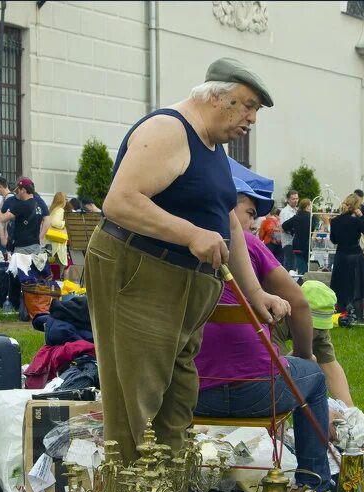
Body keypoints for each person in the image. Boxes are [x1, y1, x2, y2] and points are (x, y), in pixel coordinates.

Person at [86, 58, 289, 466]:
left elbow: (228, 221)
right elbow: (119, 202)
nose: (251, 119)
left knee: (176, 402)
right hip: (141, 274)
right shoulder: (169, 130)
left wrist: (254, 293)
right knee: (136, 404)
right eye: (246, 106)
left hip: (183, 289)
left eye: (255, 111)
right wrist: (190, 234)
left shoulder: (211, 146)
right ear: (217, 96)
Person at [195, 182, 332, 492]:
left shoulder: (177, 246)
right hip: (259, 393)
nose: (254, 223)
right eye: (249, 213)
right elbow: (298, 302)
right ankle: (314, 486)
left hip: (192, 395)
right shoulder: (248, 244)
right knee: (314, 378)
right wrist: (302, 355)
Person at [272, 280, 354, 406]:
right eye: (314, 326)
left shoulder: (319, 332)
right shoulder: (275, 319)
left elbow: (331, 368)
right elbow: (279, 373)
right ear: (298, 313)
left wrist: (350, 411)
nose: (318, 333)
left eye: (322, 328)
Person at [0, 177, 51, 309]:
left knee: (19, 278)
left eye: (18, 190)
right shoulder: (38, 204)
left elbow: (3, 218)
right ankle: (34, 306)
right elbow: (47, 220)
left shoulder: (22, 205)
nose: (17, 193)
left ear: (23, 190)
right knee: (34, 278)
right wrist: (40, 237)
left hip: (22, 247)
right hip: (35, 246)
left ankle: (18, 306)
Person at [329, 193, 364, 320]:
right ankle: (359, 319)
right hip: (355, 255)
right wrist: (361, 217)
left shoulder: (335, 221)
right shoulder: (356, 221)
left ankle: (340, 317)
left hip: (341, 255)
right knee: (357, 288)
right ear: (356, 206)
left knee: (340, 287)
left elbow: (334, 240)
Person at [281, 197, 312, 274]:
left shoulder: (296, 217)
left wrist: (292, 231)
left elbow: (284, 226)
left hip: (297, 245)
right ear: (307, 206)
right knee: (306, 267)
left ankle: (300, 282)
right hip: (307, 245)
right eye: (311, 205)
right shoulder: (312, 217)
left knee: (300, 267)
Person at [45, 191, 69, 280]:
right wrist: (64, 223)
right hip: (58, 246)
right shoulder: (60, 210)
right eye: (65, 199)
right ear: (62, 200)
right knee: (58, 273)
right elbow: (55, 222)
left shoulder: (51, 210)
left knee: (50, 272)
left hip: (50, 245)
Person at [0, 176, 14, 255]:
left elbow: (6, 220)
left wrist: (3, 238)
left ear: (0, 186)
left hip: (3, 238)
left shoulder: (9, 199)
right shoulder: (6, 198)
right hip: (0, 237)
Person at [279, 189, 299, 269]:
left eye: (297, 198)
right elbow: (284, 228)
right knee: (290, 267)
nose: (296, 201)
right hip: (289, 243)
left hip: (295, 243)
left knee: (295, 267)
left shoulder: (296, 210)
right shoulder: (285, 212)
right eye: (293, 199)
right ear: (288, 200)